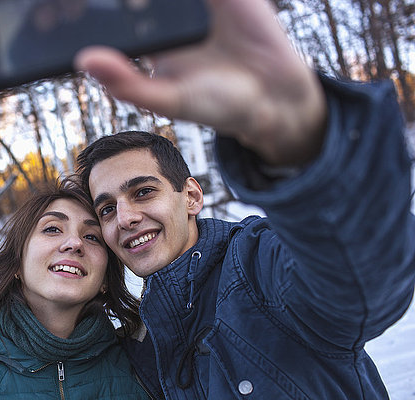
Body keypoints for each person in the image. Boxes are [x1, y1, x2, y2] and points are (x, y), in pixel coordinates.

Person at [73, 0, 415, 398]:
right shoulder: (138, 347)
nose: (126, 217)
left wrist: (303, 142)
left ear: (192, 197)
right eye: (107, 209)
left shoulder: (261, 269)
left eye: (144, 191)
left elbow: (361, 276)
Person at [0, 180, 151, 399]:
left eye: (91, 237)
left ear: (104, 280)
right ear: (17, 265)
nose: (74, 243)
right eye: (52, 229)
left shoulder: (141, 368)